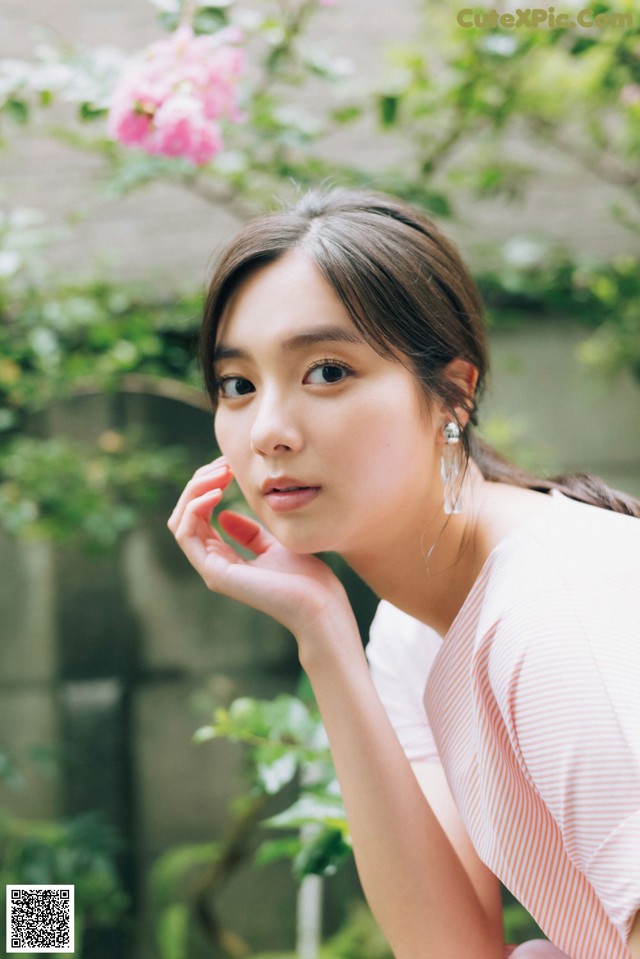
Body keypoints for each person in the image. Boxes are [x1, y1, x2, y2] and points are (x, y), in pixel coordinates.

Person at [168, 187, 640, 959]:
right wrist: (322, 631)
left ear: (453, 390)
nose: (270, 431)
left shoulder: (556, 623)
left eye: (326, 371)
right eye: (238, 384)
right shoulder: (413, 628)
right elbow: (451, 948)